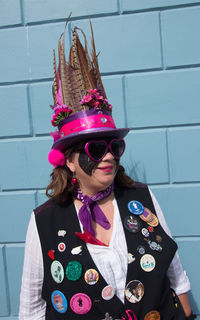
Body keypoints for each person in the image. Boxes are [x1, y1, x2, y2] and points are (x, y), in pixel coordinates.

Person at [19, 19, 195, 320]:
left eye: (114, 145)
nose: (109, 156)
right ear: (69, 160)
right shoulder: (44, 221)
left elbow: (175, 276)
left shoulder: (143, 199)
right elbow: (32, 309)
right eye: (95, 149)